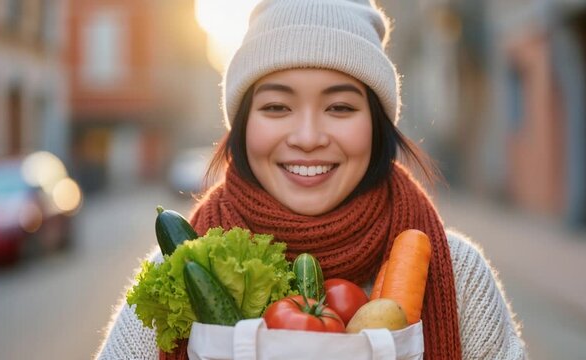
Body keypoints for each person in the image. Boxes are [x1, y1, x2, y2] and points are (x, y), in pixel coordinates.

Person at [96, 0, 527, 359]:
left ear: (376, 126)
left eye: (339, 108)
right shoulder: (173, 272)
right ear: (243, 126)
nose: (307, 138)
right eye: (277, 108)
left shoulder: (458, 273)